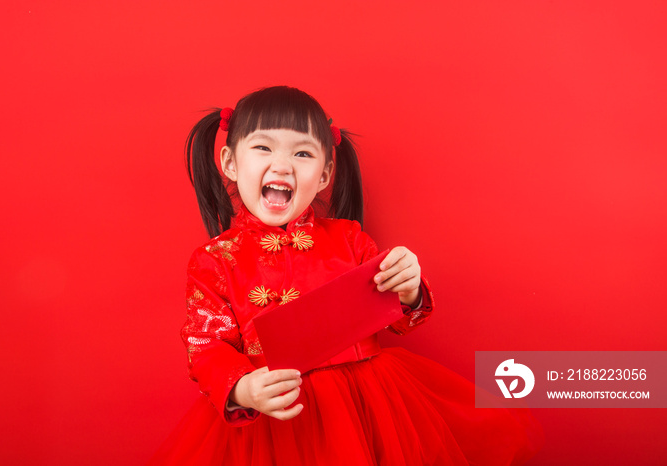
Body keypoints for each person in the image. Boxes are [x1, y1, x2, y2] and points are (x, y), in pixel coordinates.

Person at [150, 86, 542, 465]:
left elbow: (397, 314)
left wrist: (407, 288)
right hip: (274, 422)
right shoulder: (214, 259)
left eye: (303, 153)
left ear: (324, 175)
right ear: (230, 163)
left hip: (366, 409)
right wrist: (241, 387)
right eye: (263, 147)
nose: (282, 164)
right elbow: (205, 346)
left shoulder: (350, 239)